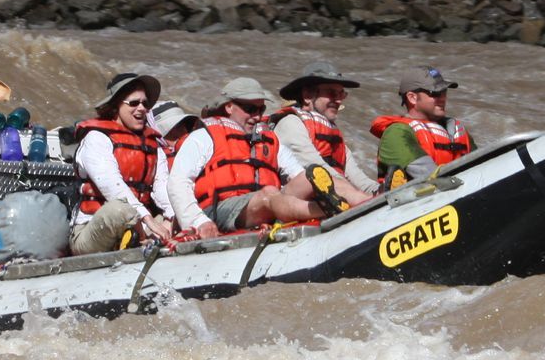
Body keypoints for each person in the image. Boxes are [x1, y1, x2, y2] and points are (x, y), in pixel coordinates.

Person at [167, 77, 334, 239]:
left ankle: (357, 204)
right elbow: (177, 183)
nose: (258, 117)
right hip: (220, 211)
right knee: (268, 194)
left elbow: (299, 176)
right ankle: (327, 210)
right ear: (229, 107)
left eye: (261, 110)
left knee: (309, 177)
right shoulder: (203, 136)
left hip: (261, 208)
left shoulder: (268, 139)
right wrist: (199, 222)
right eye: (250, 109)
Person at [71, 71, 175, 254]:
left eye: (145, 103)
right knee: (120, 209)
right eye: (134, 103)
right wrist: (147, 219)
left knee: (178, 211)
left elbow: (162, 188)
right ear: (115, 106)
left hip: (138, 227)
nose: (142, 108)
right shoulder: (96, 138)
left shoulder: (153, 146)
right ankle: (137, 241)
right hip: (91, 232)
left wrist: (173, 216)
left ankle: (140, 242)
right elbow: (112, 186)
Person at [273, 60, 372, 209]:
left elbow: (356, 175)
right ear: (307, 95)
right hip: (296, 200)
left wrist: (376, 191)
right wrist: (355, 194)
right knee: (326, 178)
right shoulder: (290, 123)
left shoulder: (331, 131)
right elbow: (313, 166)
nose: (338, 100)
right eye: (332, 93)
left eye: (341, 94)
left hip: (339, 192)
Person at [371, 66, 474, 187]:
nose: (442, 98)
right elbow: (429, 175)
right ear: (412, 98)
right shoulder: (396, 133)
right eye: (435, 93)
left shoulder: (454, 128)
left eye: (444, 92)